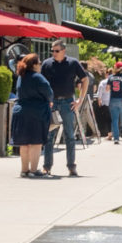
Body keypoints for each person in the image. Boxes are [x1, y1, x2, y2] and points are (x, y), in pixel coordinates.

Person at [38, 42, 85, 178]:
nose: (54, 53)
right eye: (52, 50)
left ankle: (71, 167)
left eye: (56, 51)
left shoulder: (73, 63)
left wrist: (80, 100)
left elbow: (85, 79)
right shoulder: (47, 64)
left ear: (63, 50)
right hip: (51, 103)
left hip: (67, 102)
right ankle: (47, 167)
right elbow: (40, 83)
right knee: (49, 136)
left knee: (69, 135)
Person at [10, 57, 51, 179]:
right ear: (34, 65)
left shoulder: (21, 77)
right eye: (39, 63)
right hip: (36, 112)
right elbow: (48, 93)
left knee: (24, 143)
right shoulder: (38, 77)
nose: (40, 65)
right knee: (36, 142)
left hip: (20, 111)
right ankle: (33, 170)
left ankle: (24, 170)